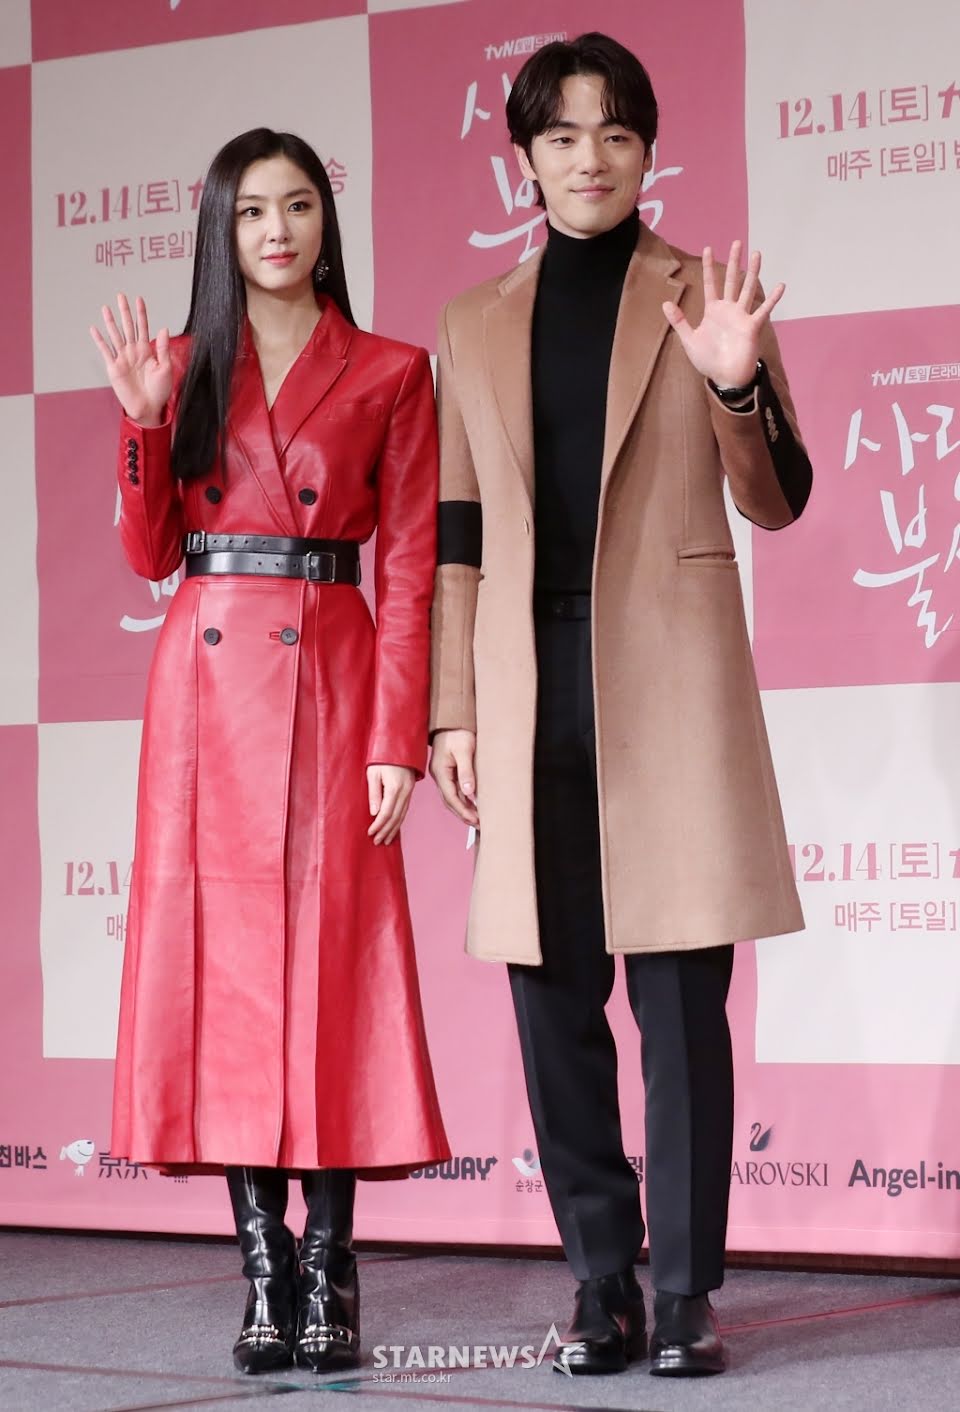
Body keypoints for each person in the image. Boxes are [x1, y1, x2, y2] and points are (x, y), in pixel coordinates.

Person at [428, 33, 812, 1379]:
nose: (589, 158)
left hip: (672, 690)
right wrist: (451, 709)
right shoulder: (472, 321)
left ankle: (687, 1289)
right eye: (562, 135)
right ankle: (601, 1281)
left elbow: (777, 498)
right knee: (551, 1002)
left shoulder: (707, 291)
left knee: (682, 1003)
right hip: (528, 688)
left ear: (649, 150)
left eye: (615, 133)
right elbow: (457, 533)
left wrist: (735, 380)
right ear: (524, 157)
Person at [90, 127, 449, 1376]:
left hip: (339, 675)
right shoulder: (183, 365)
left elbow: (411, 571)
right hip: (206, 693)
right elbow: (150, 552)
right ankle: (263, 1265)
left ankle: (332, 1259)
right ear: (221, 230)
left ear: (324, 222)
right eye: (251, 212)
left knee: (333, 962)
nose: (278, 230)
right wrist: (142, 422)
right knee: (231, 975)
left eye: (297, 206)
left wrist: (399, 735)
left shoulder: (393, 369)